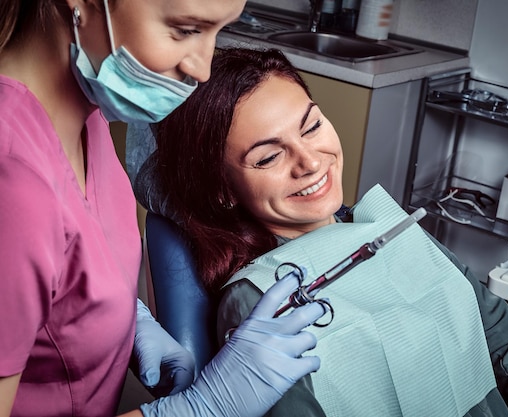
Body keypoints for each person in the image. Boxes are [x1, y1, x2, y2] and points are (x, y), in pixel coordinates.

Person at [140, 47, 508, 417]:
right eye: (269, 157)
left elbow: (506, 336)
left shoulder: (392, 227)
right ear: (224, 190)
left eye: (311, 126)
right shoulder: (260, 301)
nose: (310, 162)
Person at [0, 1, 326, 416]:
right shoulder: (12, 177)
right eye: (185, 30)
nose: (202, 69)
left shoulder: (82, 111)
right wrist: (201, 408)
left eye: (218, 31)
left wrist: (126, 319)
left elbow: (58, 262)